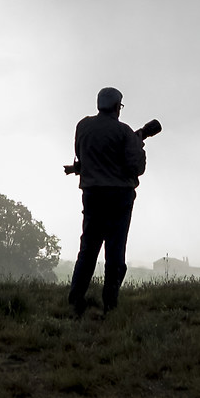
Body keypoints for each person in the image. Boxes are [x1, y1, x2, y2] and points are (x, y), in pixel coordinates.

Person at [67, 86, 146, 317]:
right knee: (115, 251)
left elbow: (82, 157)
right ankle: (110, 304)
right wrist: (139, 145)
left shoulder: (83, 126)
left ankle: (75, 300)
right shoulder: (124, 132)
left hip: (91, 195)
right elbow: (137, 168)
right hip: (119, 197)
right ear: (116, 107)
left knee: (88, 250)